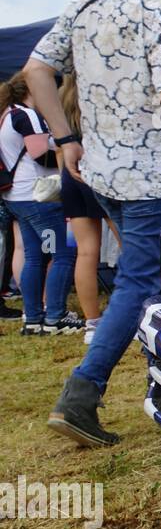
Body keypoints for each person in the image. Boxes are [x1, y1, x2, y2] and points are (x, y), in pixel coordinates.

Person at [24, 0, 161, 448]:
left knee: (144, 279)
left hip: (100, 171)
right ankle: (82, 391)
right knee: (143, 282)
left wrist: (64, 138)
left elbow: (37, 71)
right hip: (151, 174)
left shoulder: (84, 2)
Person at [0, 73, 79, 335]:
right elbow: (39, 155)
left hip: (19, 198)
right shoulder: (28, 115)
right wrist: (67, 151)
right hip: (40, 197)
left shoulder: (9, 114)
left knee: (35, 256)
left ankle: (32, 318)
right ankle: (55, 317)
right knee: (64, 253)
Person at [58, 73, 119, 344]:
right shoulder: (97, 96)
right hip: (101, 173)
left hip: (70, 177)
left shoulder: (60, 102)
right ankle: (137, 313)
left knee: (86, 253)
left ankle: (92, 323)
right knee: (131, 247)